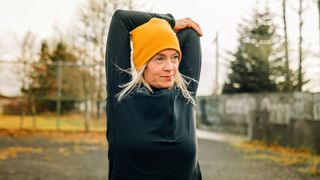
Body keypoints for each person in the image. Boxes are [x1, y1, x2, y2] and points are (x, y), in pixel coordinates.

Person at [105, 9, 203, 180]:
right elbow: (122, 19)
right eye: (159, 58)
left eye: (174, 57)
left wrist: (164, 32)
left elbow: (189, 33)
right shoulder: (121, 97)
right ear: (143, 63)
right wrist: (170, 22)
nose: (170, 67)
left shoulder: (185, 96)